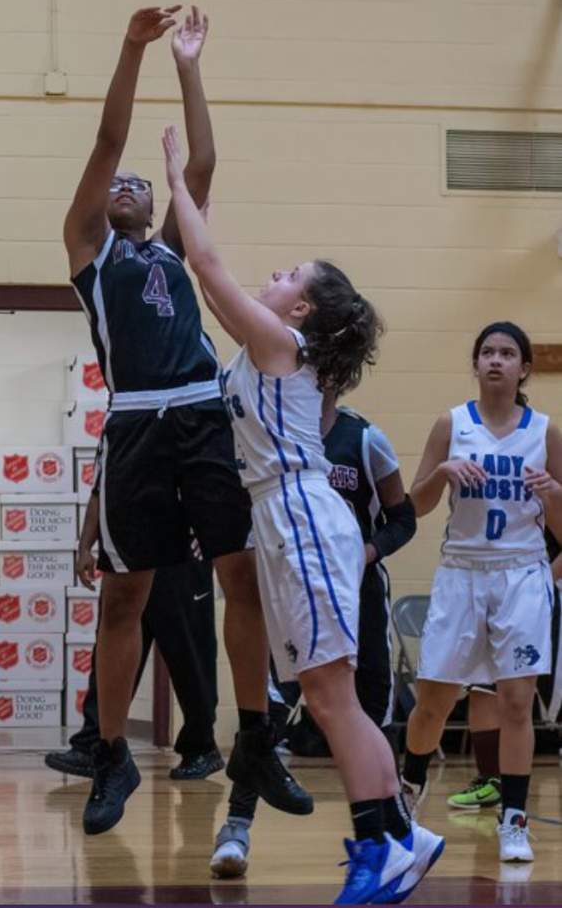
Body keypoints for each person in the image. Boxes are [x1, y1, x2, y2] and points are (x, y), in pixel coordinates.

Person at [161, 124, 443, 905]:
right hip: (286, 518)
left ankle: (376, 848)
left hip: (299, 514)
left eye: (287, 273)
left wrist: (175, 176)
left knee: (328, 697)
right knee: (334, 694)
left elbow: (209, 266)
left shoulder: (281, 343)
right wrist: (192, 180)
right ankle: (398, 837)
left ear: (303, 304)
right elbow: (198, 263)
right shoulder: (266, 348)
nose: (272, 275)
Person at [64, 6, 309, 836]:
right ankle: (110, 752)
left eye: (140, 180)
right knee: (123, 598)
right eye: (121, 182)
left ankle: (256, 737)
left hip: (204, 415)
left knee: (240, 577)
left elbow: (201, 161)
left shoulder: (170, 243)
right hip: (136, 426)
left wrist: (189, 65)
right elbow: (104, 143)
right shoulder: (90, 248)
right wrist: (129, 49)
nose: (129, 182)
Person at [211, 392, 417, 878]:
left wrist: (365, 552)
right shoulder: (267, 435)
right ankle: (236, 827)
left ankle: (392, 833)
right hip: (288, 588)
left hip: (358, 592)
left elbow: (402, 518)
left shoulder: (364, 437)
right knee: (267, 708)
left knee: (370, 713)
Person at [400, 322, 562, 863]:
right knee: (434, 702)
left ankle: (513, 821)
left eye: (507, 352)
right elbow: (415, 507)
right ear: (476, 365)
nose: (495, 360)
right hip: (462, 571)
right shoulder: (452, 423)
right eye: (487, 352)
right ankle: (409, 792)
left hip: (521, 573)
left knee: (516, 702)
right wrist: (441, 471)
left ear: (523, 369)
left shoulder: (546, 432)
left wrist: (555, 494)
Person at [45, 492, 224, 781]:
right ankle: (94, 744)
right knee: (111, 654)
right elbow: (99, 493)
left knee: (191, 655)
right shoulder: (114, 447)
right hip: (130, 553)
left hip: (182, 558)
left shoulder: (189, 445)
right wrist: (84, 548)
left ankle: (201, 747)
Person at [446, 527, 562, 811]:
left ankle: (513, 806)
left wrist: (541, 579)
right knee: (482, 688)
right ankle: (491, 780)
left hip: (541, 594)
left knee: (537, 696)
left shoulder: (546, 487)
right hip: (494, 591)